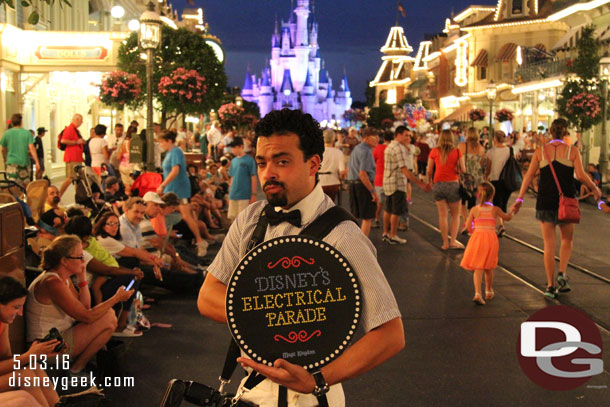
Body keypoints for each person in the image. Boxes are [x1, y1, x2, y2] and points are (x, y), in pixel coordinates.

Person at [197, 109, 404, 407]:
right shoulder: (251, 220)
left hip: (311, 398)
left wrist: (318, 379)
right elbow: (207, 297)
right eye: (262, 162)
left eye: (282, 161)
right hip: (253, 390)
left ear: (313, 164)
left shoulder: (344, 235)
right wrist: (278, 313)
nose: (269, 172)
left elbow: (390, 334)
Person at [511, 118, 602, 299]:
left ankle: (551, 285)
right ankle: (562, 273)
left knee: (548, 245)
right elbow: (582, 176)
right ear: (565, 132)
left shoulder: (540, 152)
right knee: (567, 240)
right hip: (566, 200)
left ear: (550, 132)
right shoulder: (572, 151)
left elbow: (528, 177)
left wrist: (520, 199)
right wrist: (595, 189)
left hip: (545, 201)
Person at [25, 235, 133, 374]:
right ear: (64, 261)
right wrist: (116, 299)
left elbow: (85, 308)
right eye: (79, 257)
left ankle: (77, 367)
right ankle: (76, 369)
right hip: (46, 346)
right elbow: (87, 317)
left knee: (109, 316)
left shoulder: (63, 278)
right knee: (108, 317)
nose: (83, 261)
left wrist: (82, 278)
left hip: (58, 338)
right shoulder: (52, 283)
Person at [65, 215, 144, 337]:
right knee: (130, 278)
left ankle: (123, 319)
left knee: (132, 274)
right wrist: (132, 272)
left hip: (93, 282)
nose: (114, 227)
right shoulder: (79, 252)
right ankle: (119, 323)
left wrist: (132, 271)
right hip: (85, 289)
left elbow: (109, 265)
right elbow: (106, 270)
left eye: (116, 224)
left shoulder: (89, 244)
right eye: (110, 224)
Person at [0, 276, 60, 407]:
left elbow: (5, 359)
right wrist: (28, 356)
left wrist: (36, 354)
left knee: (34, 367)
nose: (20, 313)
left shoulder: (3, 322)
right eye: (16, 307)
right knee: (24, 376)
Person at [156, 130, 209, 257]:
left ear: (169, 141)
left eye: (162, 142)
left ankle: (200, 241)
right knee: (173, 214)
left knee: (186, 216)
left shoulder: (175, 152)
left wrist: (162, 185)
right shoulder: (171, 153)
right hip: (172, 188)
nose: (161, 144)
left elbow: (175, 170)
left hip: (178, 188)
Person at [460, 182, 513, 305]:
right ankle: (488, 290)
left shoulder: (474, 210)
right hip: (490, 238)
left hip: (477, 238)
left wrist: (475, 226)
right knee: (489, 266)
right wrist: (513, 211)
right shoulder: (495, 210)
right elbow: (506, 218)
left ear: (478, 195)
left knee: (478, 267)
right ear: (492, 195)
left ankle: (478, 293)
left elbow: (468, 227)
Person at [382, 126, 429, 244]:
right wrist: (419, 183)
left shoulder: (391, 146)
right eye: (406, 135)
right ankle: (393, 235)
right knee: (396, 211)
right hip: (397, 183)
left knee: (388, 209)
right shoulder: (398, 148)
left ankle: (386, 233)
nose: (409, 137)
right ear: (398, 135)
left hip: (388, 182)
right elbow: (404, 169)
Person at [427, 129, 466, 250]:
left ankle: (445, 243)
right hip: (453, 184)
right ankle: (453, 241)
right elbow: (463, 170)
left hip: (438, 185)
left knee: (442, 216)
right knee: (455, 215)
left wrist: (430, 182)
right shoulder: (457, 151)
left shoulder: (434, 151)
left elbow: (429, 170)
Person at [347, 127, 379, 237]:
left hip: (353, 184)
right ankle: (363, 245)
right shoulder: (366, 151)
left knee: (354, 216)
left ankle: (352, 241)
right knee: (367, 217)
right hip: (362, 186)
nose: (377, 139)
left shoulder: (356, 149)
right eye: (375, 136)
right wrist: (372, 191)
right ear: (366, 138)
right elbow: (363, 174)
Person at [485, 130, 514, 236]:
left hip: (495, 179)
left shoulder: (491, 152)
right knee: (503, 203)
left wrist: (485, 177)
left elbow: (488, 168)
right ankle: (501, 223)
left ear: (495, 139)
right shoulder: (509, 150)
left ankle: (500, 225)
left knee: (496, 203)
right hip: (507, 180)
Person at [457, 127, 486, 233]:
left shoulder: (461, 146)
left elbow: (457, 161)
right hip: (477, 178)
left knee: (463, 201)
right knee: (473, 202)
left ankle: (465, 222)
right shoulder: (481, 148)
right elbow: (483, 164)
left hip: (464, 177)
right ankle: (471, 223)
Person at [0, 113, 40, 187]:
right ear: (21, 122)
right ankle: (23, 197)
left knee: (12, 185)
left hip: (11, 162)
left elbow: (3, 149)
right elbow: (32, 148)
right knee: (25, 184)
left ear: (12, 122)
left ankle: (15, 198)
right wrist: (37, 162)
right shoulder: (27, 133)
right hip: (24, 161)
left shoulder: (7, 133)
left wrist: (5, 158)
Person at [227, 136, 258, 222]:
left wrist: (253, 195)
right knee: (232, 217)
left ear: (241, 146)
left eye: (234, 147)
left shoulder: (249, 160)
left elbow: (253, 177)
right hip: (233, 194)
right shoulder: (233, 161)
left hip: (244, 195)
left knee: (243, 219)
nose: (232, 149)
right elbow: (232, 178)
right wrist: (229, 194)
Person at [58, 114, 84, 198]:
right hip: (72, 157)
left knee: (77, 179)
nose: (81, 122)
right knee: (71, 178)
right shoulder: (70, 129)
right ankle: (58, 195)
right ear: (76, 120)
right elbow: (63, 140)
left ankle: (79, 197)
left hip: (76, 157)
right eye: (81, 120)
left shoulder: (75, 130)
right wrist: (77, 142)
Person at [319, 129, 346, 203]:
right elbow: (342, 172)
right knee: (330, 205)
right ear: (334, 139)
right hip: (333, 182)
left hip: (319, 182)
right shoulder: (338, 152)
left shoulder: (318, 152)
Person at [372, 131, 392, 227]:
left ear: (383, 139)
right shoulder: (393, 149)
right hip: (391, 180)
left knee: (379, 202)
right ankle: (389, 223)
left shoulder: (378, 148)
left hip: (379, 178)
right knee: (390, 203)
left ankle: (376, 219)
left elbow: (373, 161)